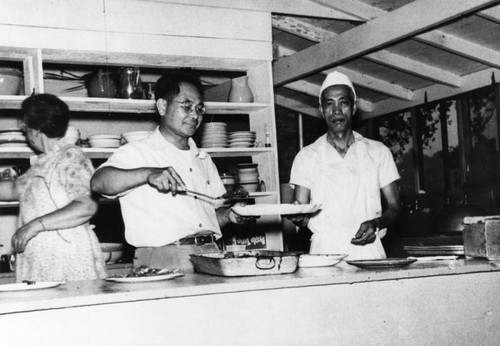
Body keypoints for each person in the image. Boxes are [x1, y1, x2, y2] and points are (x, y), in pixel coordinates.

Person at [91, 70, 249, 273]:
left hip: (209, 253)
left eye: (199, 109)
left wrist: (230, 215)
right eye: (186, 106)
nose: (195, 115)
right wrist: (148, 174)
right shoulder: (139, 152)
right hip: (162, 259)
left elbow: (207, 217)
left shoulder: (203, 159)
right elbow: (98, 182)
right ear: (162, 106)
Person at [289, 71, 401, 260]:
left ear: (354, 107)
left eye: (344, 102)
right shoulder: (306, 156)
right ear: (322, 110)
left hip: (370, 252)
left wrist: (376, 223)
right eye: (329, 104)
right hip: (323, 254)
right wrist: (298, 216)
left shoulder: (378, 152)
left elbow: (395, 208)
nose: (337, 110)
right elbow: (301, 215)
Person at [0, 94, 106, 282]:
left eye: (25, 127)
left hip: (69, 261)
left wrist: (34, 226)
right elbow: (13, 189)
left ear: (35, 130)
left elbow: (86, 206)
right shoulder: (42, 164)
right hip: (42, 263)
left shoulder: (70, 157)